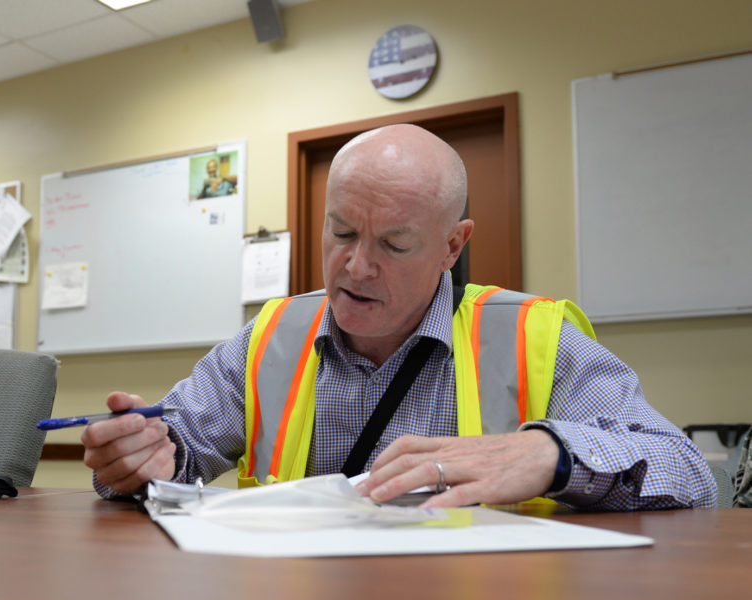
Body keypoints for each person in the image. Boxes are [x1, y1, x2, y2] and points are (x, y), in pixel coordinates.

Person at [82, 124, 716, 510]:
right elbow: (177, 451)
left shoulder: (532, 337)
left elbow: (687, 473)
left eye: (394, 244)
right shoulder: (271, 338)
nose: (355, 267)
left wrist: (550, 454)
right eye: (341, 233)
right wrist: (143, 460)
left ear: (452, 246)